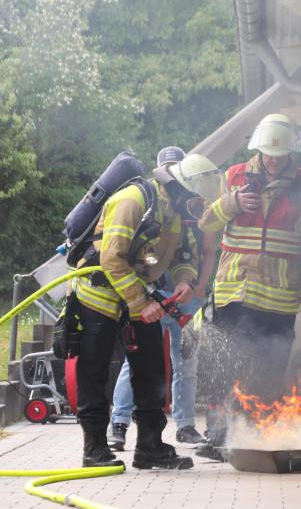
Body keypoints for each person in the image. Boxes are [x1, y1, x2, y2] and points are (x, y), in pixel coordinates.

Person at [72, 152, 221, 469]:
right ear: (181, 189)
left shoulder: (174, 213)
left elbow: (184, 255)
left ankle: (149, 447)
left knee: (151, 370)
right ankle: (95, 449)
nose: (198, 209)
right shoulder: (132, 201)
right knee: (94, 371)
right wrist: (141, 303)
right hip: (99, 297)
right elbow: (112, 258)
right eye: (197, 201)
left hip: (139, 296)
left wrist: (185, 281)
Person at [197, 113, 301, 451]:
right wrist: (232, 203)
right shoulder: (233, 176)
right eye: (268, 153)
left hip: (280, 297)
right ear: (258, 148)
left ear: (291, 152)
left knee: (270, 371)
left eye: (280, 154)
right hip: (235, 292)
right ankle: (218, 438)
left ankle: (255, 437)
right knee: (226, 367)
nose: (273, 160)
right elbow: (206, 222)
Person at [107, 147, 208, 451]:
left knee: (186, 363)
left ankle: (185, 425)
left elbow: (191, 253)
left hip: (184, 298)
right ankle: (119, 423)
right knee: (136, 362)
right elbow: (119, 256)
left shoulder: (188, 207)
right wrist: (139, 300)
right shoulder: (147, 205)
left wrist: (191, 283)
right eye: (169, 169)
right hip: (148, 296)